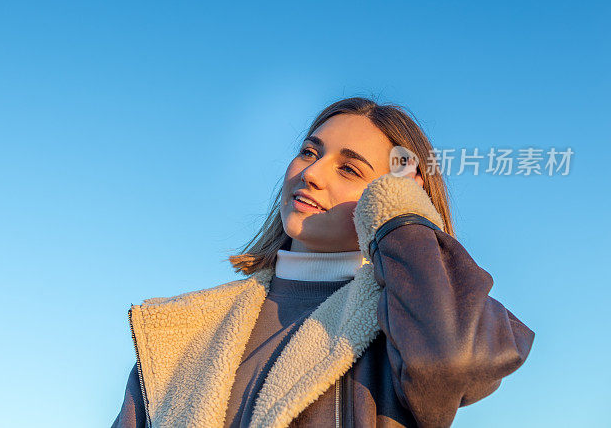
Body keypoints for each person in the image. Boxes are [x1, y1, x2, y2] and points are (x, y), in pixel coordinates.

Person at [110, 96, 535, 428]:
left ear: (389, 196)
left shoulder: (404, 325)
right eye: (310, 152)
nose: (311, 173)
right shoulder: (183, 330)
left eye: (349, 169)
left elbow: (449, 363)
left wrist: (403, 214)